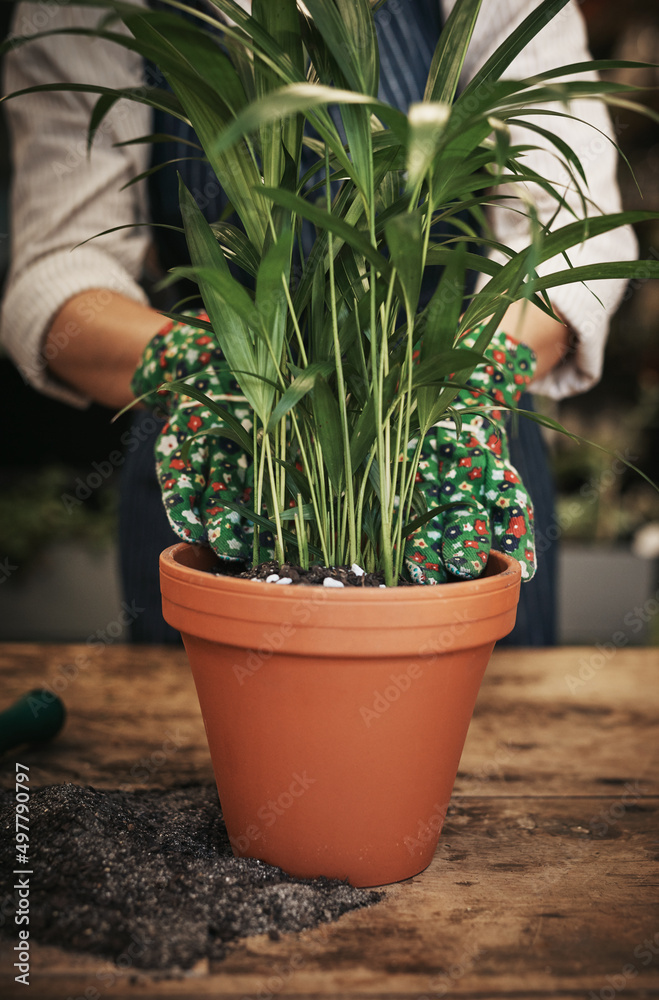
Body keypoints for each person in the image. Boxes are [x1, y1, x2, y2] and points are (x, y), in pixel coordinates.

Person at [1, 0, 637, 642]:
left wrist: (460, 389)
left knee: (483, 737)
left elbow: (569, 230)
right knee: (208, 737)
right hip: (220, 464)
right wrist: (223, 382)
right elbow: (58, 272)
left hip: (455, 462)